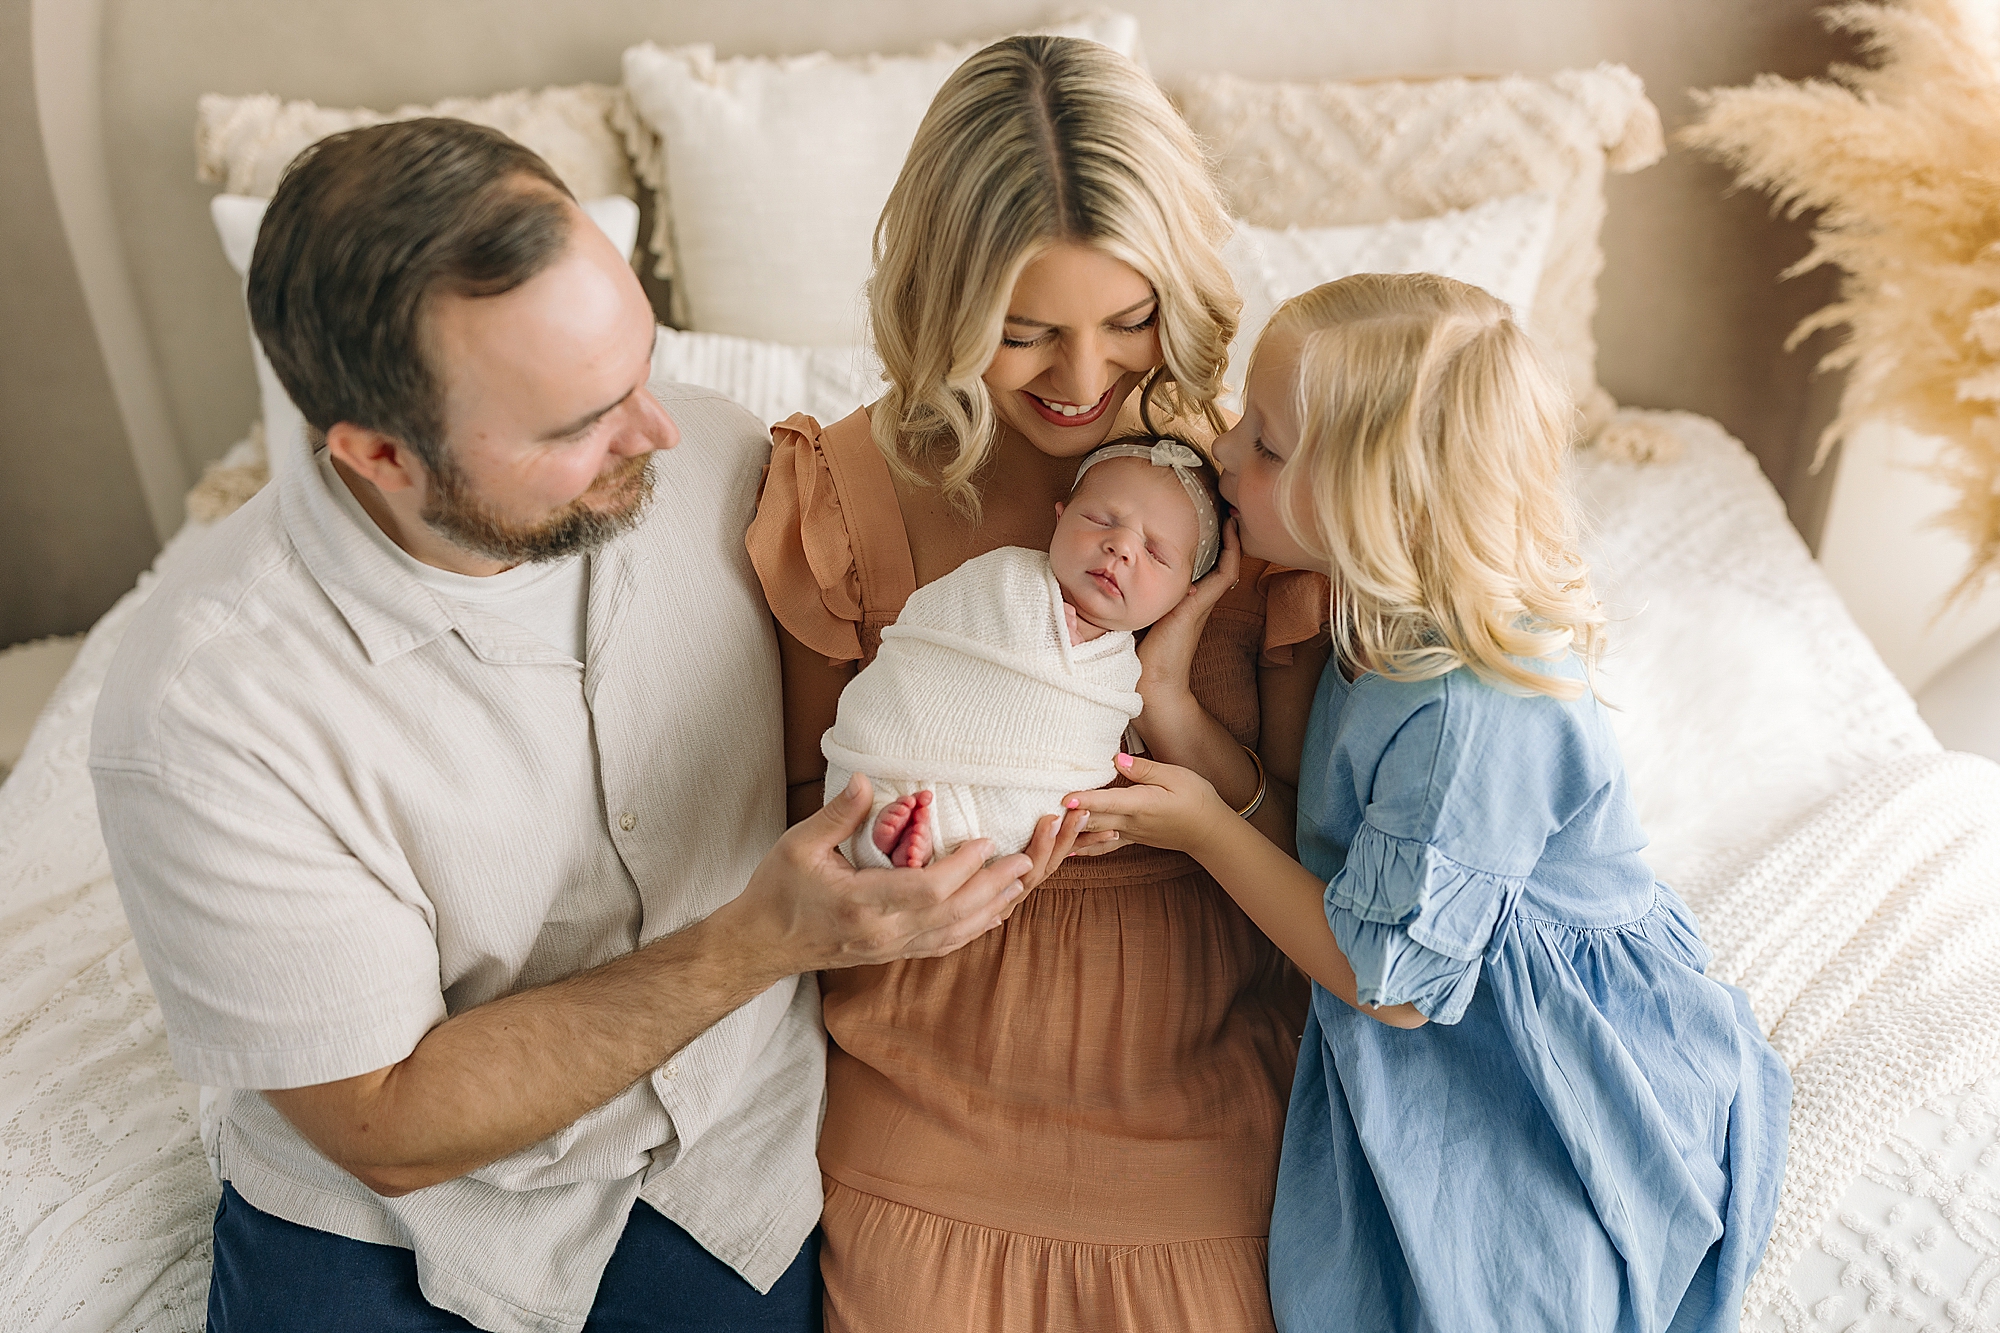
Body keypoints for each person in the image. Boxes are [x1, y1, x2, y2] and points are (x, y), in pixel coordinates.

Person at [88, 118, 1041, 1333]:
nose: (655, 430)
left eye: (640, 365)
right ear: (380, 454)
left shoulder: (727, 466)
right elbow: (386, 1121)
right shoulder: (204, 714)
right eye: (573, 423)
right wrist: (757, 941)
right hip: (406, 1217)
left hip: (727, 1161)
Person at [1072, 272, 1792, 1331]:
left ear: (1376, 500)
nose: (1225, 454)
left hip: (1523, 1034)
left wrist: (1197, 830)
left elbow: (1387, 978)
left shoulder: (1469, 715)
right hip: (1408, 963)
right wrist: (1170, 709)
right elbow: (1322, 856)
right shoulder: (1365, 608)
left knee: (1497, 1289)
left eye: (1266, 447)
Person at [746, 35, 1327, 1331]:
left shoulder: (1253, 493)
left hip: (1200, 1063)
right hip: (926, 1054)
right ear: (945, 312)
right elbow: (800, 825)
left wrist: (1174, 709)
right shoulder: (845, 494)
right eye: (1020, 336)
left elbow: (1316, 857)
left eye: (1130, 325)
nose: (1080, 383)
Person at [831, 437, 1224, 869]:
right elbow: (928, 632)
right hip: (895, 744)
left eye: (1155, 553)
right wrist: (1040, 633)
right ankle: (883, 831)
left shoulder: (1121, 670)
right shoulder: (1002, 578)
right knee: (872, 794)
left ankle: (921, 842)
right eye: (1099, 519)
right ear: (1059, 519)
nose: (1121, 547)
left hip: (1005, 809)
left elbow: (1097, 749)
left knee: (1014, 820)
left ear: (1183, 596)